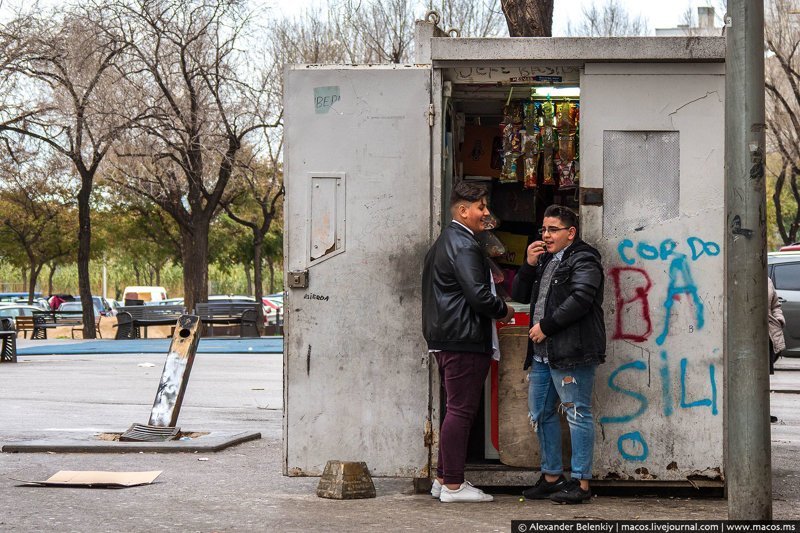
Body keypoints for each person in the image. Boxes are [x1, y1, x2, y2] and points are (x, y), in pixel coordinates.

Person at [422, 181, 515, 503]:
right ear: (463, 210)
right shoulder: (464, 244)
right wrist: (503, 310)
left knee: (454, 410)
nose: (486, 214)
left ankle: (443, 478)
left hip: (447, 336)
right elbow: (479, 295)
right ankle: (454, 486)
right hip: (463, 337)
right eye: (481, 208)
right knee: (461, 411)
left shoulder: (446, 241)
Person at [511, 205, 605, 505]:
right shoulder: (546, 259)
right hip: (542, 354)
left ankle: (582, 483)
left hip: (570, 352)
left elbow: (581, 298)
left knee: (577, 413)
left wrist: (547, 327)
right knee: (541, 412)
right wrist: (527, 264)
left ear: (571, 233)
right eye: (544, 229)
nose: (546, 235)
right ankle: (552, 478)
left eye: (553, 229)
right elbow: (519, 294)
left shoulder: (585, 258)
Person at [768, 277, 785, 423]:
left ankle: (762, 410)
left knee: (762, 376)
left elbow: (775, 305)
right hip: (745, 338)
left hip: (766, 336)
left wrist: (779, 319)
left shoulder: (766, 281)